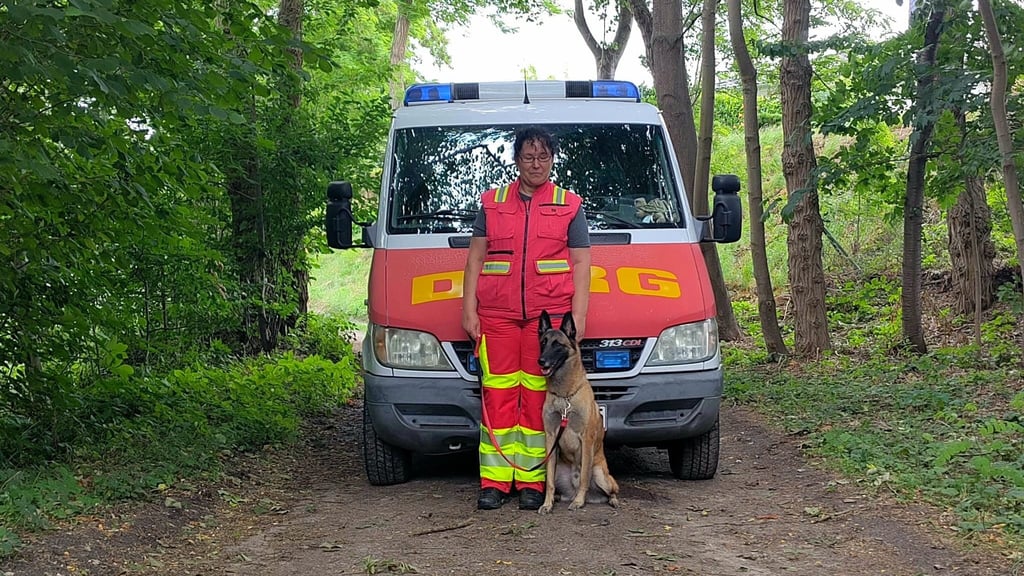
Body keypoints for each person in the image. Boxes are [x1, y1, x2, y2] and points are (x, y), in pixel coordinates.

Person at [462, 126, 591, 511]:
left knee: (539, 400)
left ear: (552, 159)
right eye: (528, 156)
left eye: (543, 157)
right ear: (517, 160)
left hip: (545, 323)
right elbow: (475, 259)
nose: (536, 164)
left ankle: (534, 482)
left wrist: (579, 316)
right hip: (497, 317)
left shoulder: (569, 204)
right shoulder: (492, 203)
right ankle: (496, 483)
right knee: (499, 397)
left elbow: (582, 262)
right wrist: (468, 309)